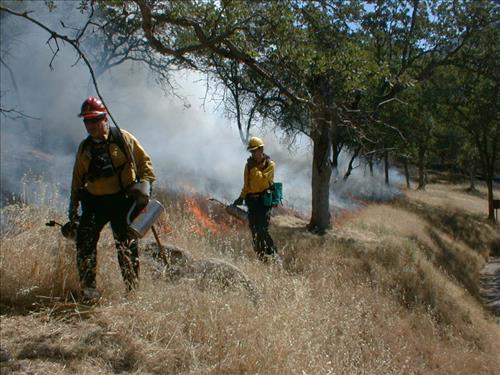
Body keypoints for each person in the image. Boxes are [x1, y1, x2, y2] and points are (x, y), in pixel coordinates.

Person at [68, 96, 155, 301]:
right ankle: (89, 290)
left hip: (122, 201)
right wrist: (73, 208)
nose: (90, 125)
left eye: (94, 120)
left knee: (126, 245)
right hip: (95, 203)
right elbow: (76, 179)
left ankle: (132, 291)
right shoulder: (84, 149)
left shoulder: (122, 138)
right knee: (85, 241)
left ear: (104, 118)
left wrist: (145, 187)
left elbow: (145, 163)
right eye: (86, 121)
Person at [233, 136, 279, 262]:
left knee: (262, 228)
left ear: (261, 149)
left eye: (255, 151)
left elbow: (263, 181)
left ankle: (273, 254)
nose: (253, 154)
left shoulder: (270, 165)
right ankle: (261, 257)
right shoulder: (248, 166)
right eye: (251, 151)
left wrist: (254, 168)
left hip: (264, 201)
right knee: (254, 230)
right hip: (252, 201)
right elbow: (246, 185)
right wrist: (241, 197)